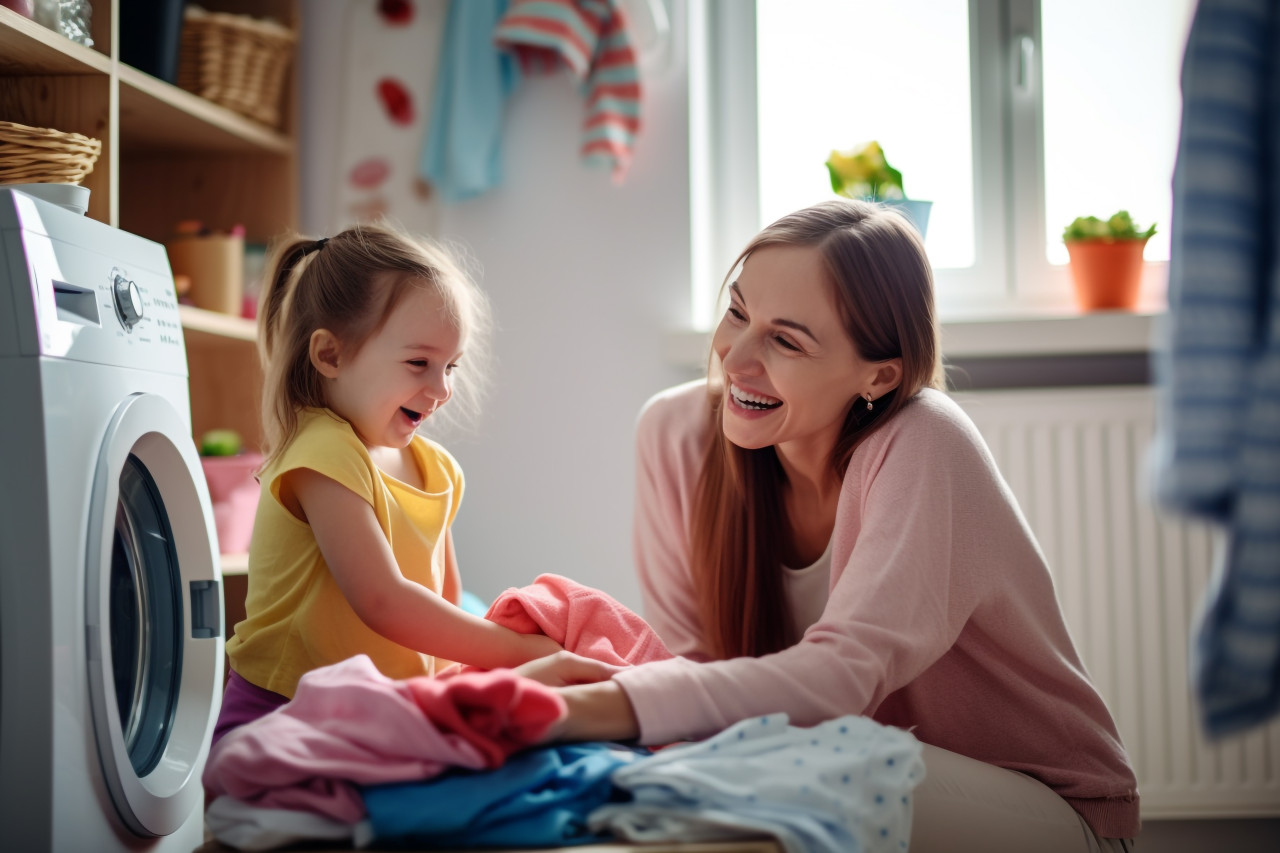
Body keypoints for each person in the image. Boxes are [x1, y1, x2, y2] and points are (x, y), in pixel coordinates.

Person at [526, 199, 1140, 852]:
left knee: (826, 763)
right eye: (737, 311)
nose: (736, 359)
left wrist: (592, 705)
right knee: (668, 781)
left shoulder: (925, 439)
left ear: (878, 375)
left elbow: (842, 676)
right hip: (833, 770)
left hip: (1046, 807)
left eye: (786, 340)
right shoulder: (675, 433)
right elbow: (693, 674)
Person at [213, 223, 564, 746]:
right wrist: (518, 654)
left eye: (452, 367)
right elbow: (382, 600)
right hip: (283, 712)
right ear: (330, 355)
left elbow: (444, 604)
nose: (441, 389)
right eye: (419, 363)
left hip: (375, 709)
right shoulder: (322, 452)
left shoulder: (435, 468)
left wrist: (498, 665)